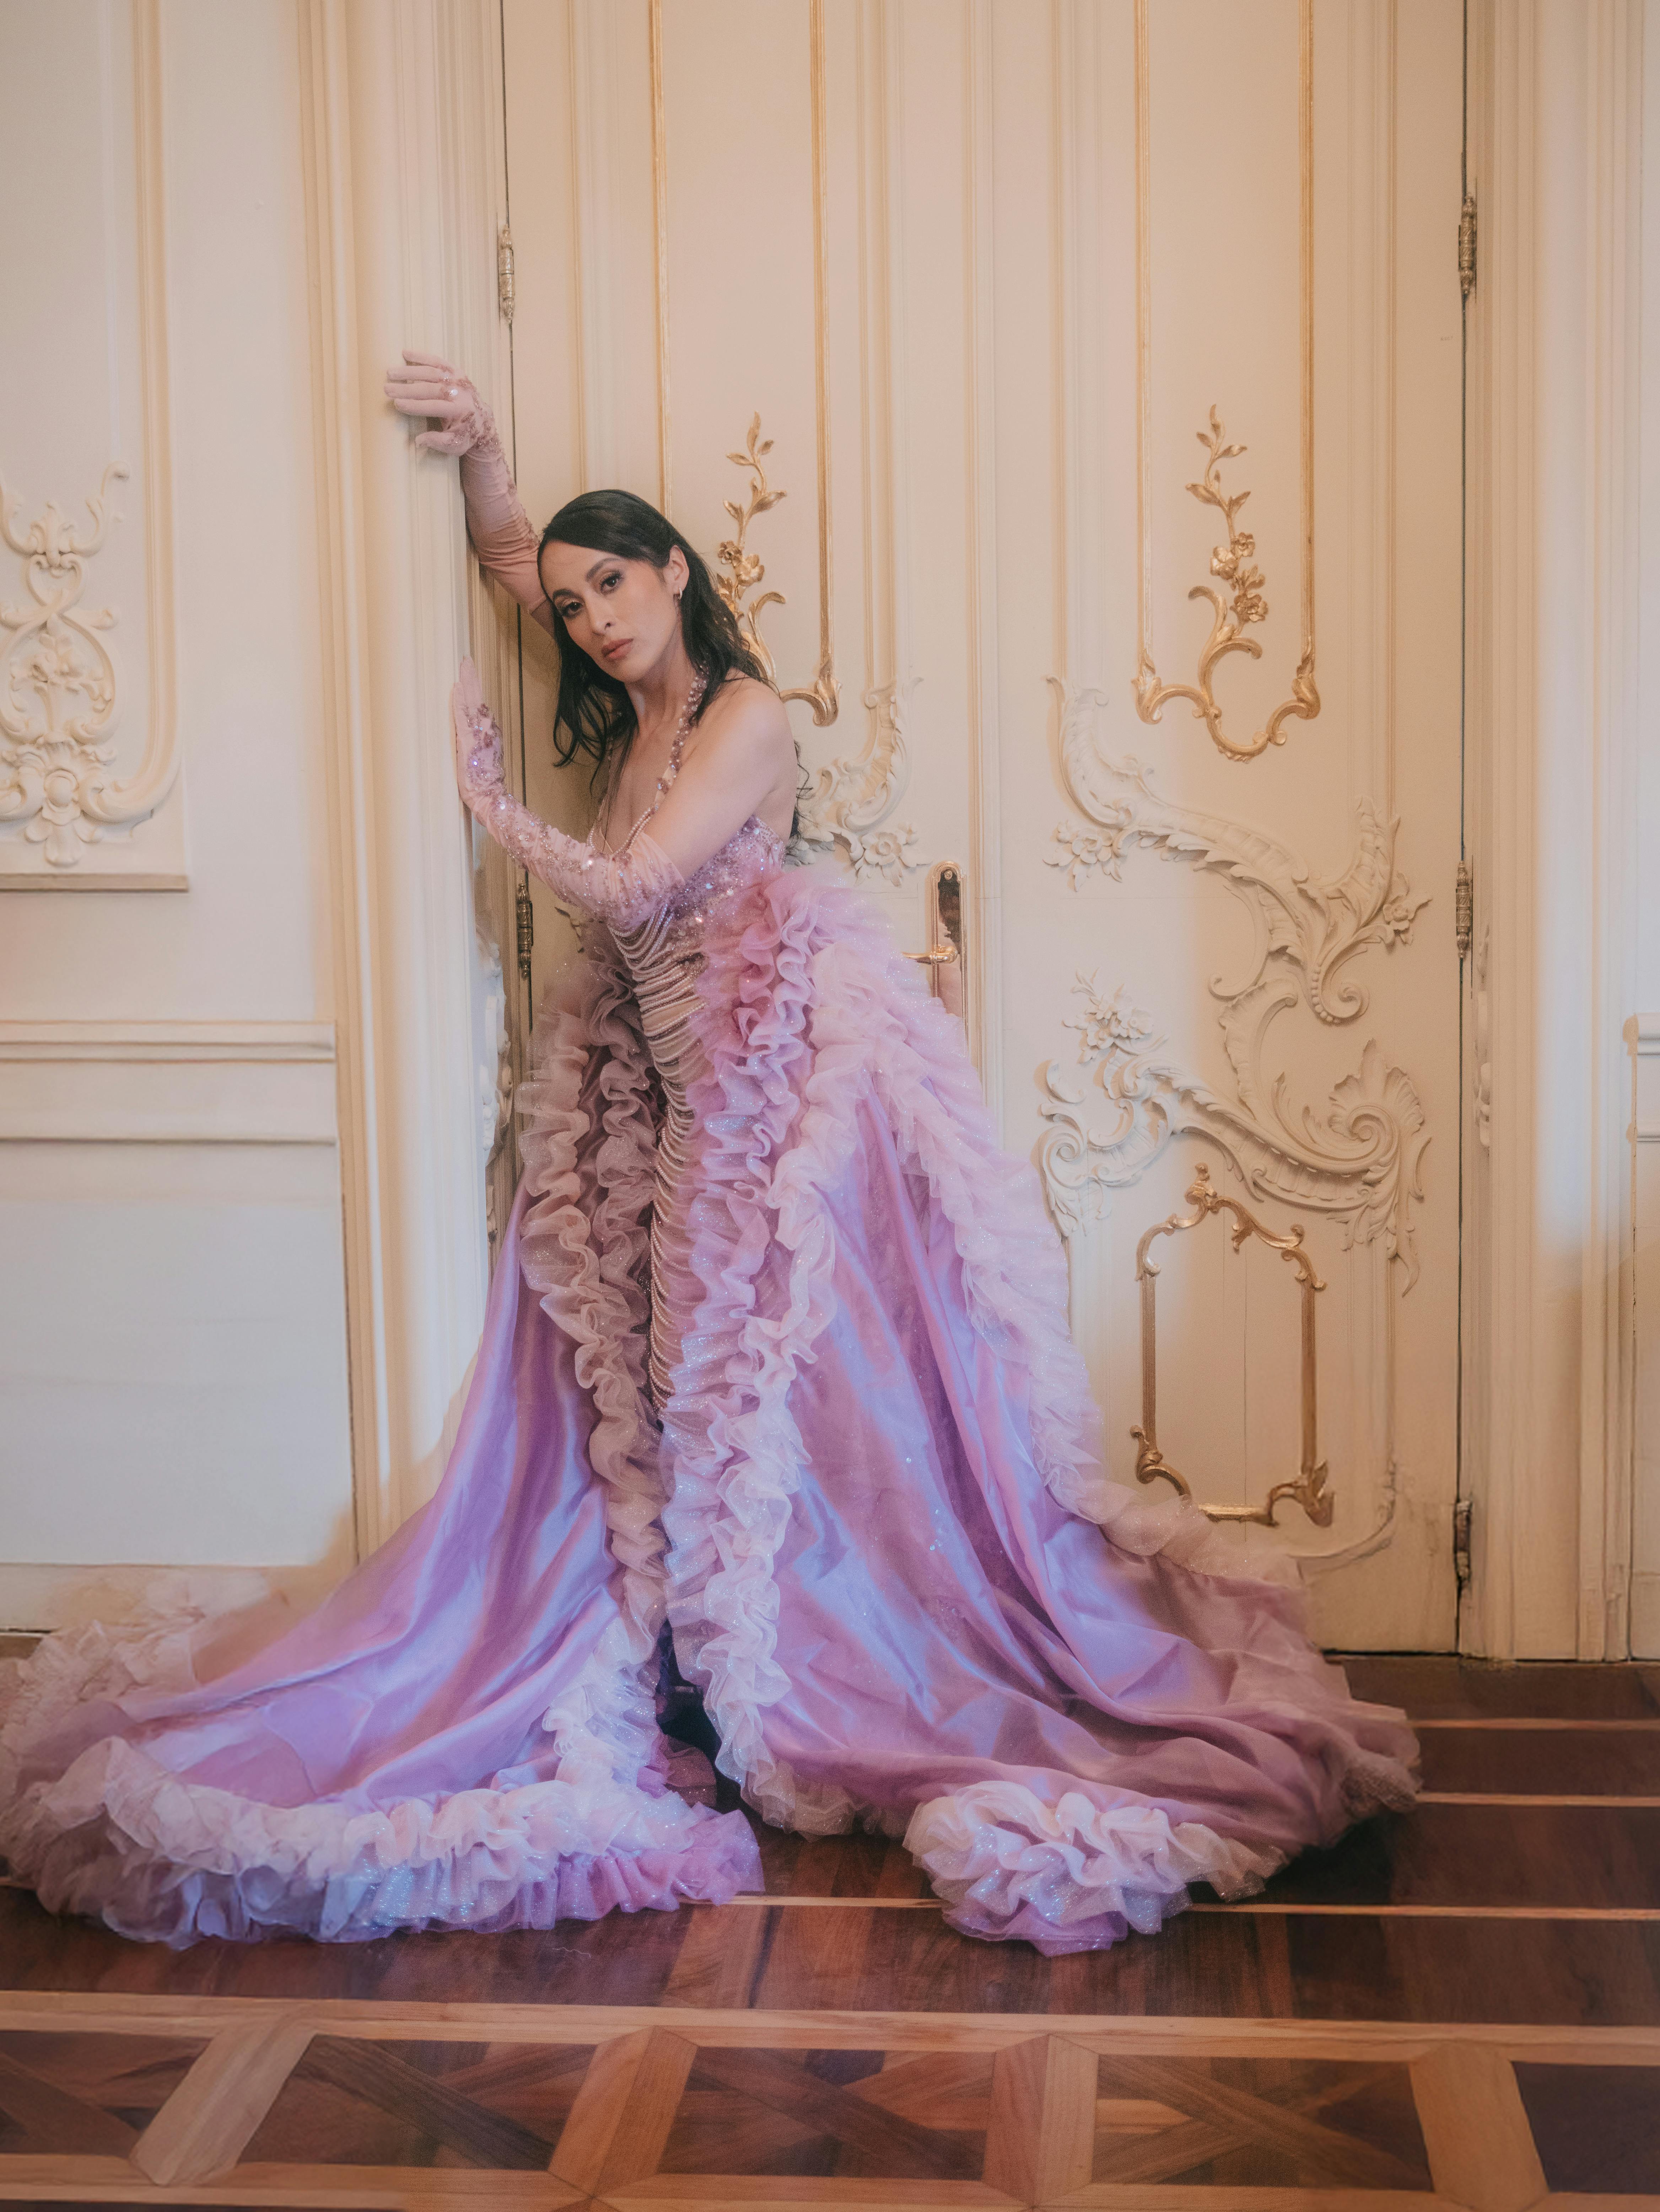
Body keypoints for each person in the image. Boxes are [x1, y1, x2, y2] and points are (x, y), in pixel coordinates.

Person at [0, 356, 1416, 1955]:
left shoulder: (744, 712)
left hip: (782, 1105)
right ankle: (706, 1655)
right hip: (677, 1105)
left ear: (677, 569)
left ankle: (815, 1669)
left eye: (619, 580)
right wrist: (488, 467)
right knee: (677, 1400)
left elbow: (634, 891)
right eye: (578, 597)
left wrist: (488, 806)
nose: (594, 615)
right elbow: (513, 564)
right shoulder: (637, 698)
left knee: (802, 1413)